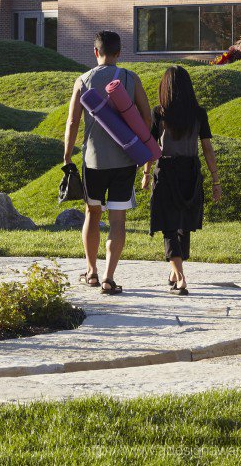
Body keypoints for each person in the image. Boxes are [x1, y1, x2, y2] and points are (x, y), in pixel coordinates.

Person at [64, 31, 151, 295]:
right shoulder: (130, 78)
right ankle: (109, 278)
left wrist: (67, 156)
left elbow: (72, 122)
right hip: (125, 159)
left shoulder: (83, 80)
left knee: (92, 213)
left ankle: (91, 272)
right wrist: (141, 149)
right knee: (118, 220)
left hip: (93, 160)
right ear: (119, 52)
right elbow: (147, 119)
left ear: (95, 52)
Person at [142, 66, 222, 295]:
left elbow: (150, 145)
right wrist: (216, 181)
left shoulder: (160, 112)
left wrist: (146, 173)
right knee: (183, 224)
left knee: (169, 225)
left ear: (165, 87)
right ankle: (174, 271)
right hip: (191, 171)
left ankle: (180, 278)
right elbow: (207, 148)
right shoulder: (199, 113)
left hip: (167, 170)